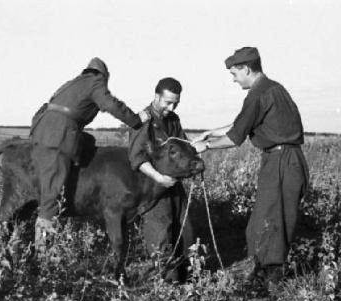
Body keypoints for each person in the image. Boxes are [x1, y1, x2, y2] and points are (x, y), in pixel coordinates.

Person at [193, 47, 309, 286]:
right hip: (286, 160)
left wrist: (205, 146)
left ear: (246, 69)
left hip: (281, 162)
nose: (233, 80)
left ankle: (269, 283)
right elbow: (242, 124)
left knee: (271, 222)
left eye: (234, 74)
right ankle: (265, 277)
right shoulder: (273, 88)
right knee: (268, 221)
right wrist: (210, 132)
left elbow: (235, 137)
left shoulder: (258, 94)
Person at [31, 57, 148, 251]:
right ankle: (42, 251)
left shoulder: (72, 84)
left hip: (44, 131)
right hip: (58, 137)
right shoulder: (95, 82)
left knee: (86, 144)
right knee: (52, 192)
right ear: (104, 76)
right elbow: (111, 105)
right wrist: (135, 120)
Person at [128, 77, 194, 282]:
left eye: (176, 103)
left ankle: (190, 279)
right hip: (153, 189)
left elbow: (184, 146)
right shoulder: (142, 121)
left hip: (175, 186)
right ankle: (168, 286)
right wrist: (159, 178)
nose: (171, 107)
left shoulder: (174, 119)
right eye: (167, 102)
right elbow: (136, 158)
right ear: (156, 96)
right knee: (161, 234)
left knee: (185, 230)